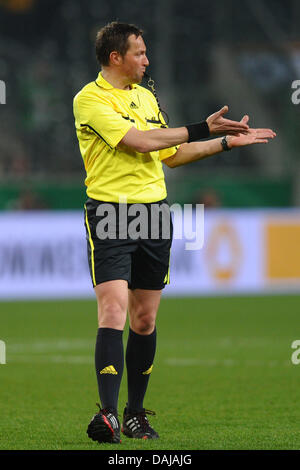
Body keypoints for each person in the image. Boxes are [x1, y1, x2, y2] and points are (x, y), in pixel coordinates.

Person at [73, 21, 275, 444]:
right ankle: (107, 415)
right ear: (116, 58)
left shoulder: (147, 97)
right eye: (140, 53)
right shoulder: (89, 100)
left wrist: (223, 144)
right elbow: (140, 142)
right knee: (112, 311)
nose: (147, 60)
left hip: (154, 215)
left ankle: (134, 415)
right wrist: (204, 127)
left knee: (144, 319)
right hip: (111, 214)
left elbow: (171, 154)